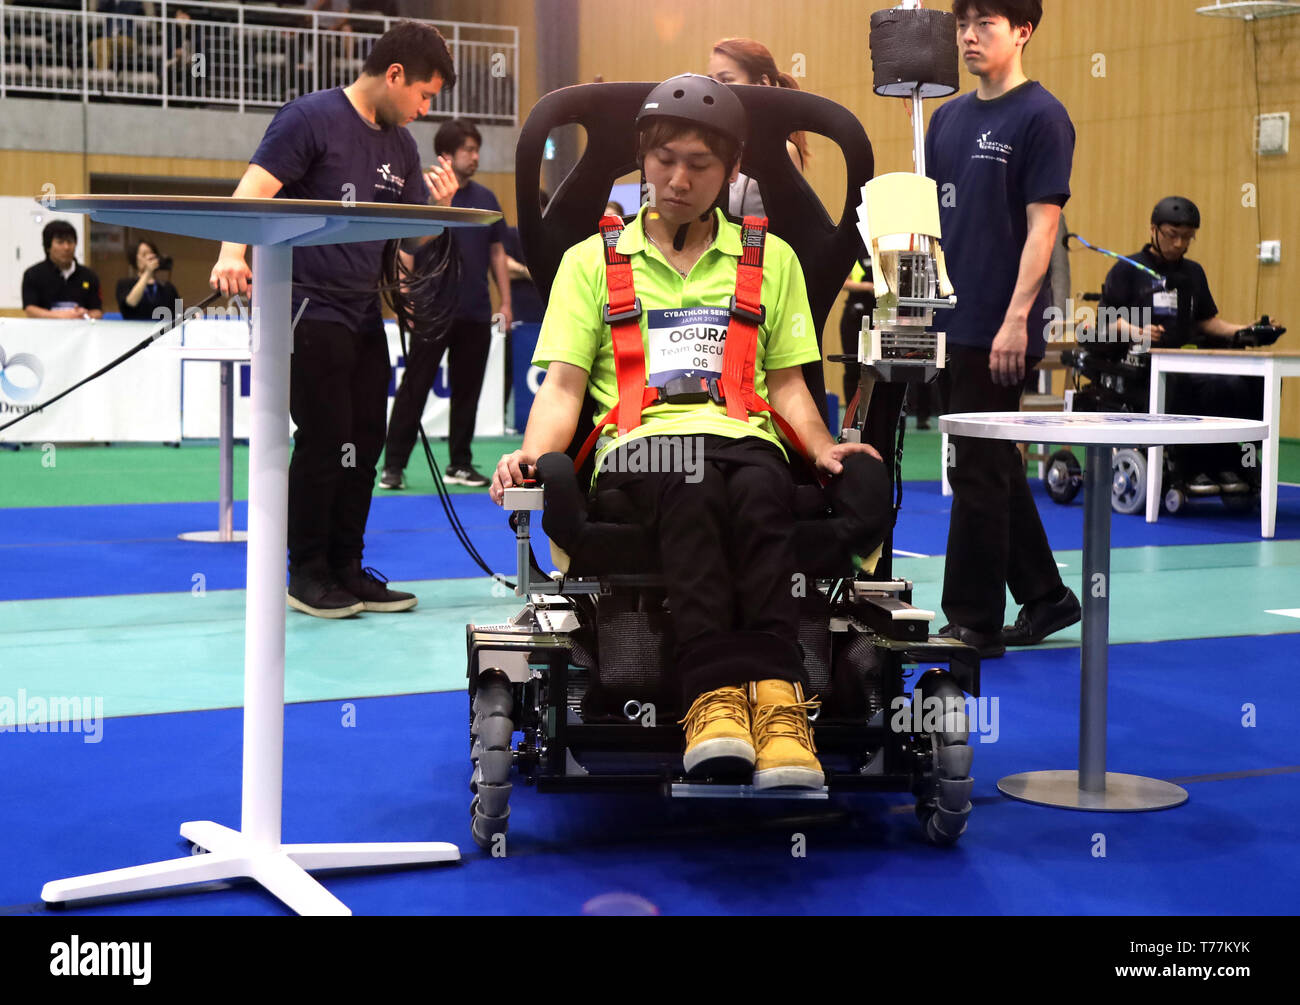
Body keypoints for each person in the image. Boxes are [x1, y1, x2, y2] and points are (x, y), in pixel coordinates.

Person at [489, 74, 889, 790]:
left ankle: (777, 705)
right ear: (642, 157)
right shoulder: (591, 263)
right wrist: (529, 452)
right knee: (696, 485)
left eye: (700, 165)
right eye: (665, 158)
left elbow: (791, 385)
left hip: (748, 441)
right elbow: (565, 386)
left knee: (762, 492)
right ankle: (713, 701)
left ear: (733, 171)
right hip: (639, 449)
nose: (678, 179)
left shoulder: (772, 263)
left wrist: (825, 448)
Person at [209, 20, 459, 619]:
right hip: (302, 304)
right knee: (328, 439)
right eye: (423, 95)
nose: (425, 110)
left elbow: (410, 234)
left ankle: (348, 566)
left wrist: (439, 209)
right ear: (394, 74)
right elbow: (251, 191)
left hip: (360, 311)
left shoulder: (400, 144)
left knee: (366, 440)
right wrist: (229, 254)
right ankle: (309, 573)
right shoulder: (309, 118)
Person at [926, 0, 1080, 658]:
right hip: (948, 321)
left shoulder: (1042, 117)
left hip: (1001, 323)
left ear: (1022, 31)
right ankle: (1047, 597)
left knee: (974, 470)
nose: (968, 35)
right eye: (963, 23)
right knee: (991, 465)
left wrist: (1018, 319)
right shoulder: (945, 120)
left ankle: (973, 621)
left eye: (985, 24)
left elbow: (1043, 229)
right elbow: (935, 222)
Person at [1099, 196, 1275, 495]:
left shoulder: (1193, 273)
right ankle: (1193, 466)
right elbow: (1105, 324)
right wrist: (1136, 330)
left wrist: (1248, 330)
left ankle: (1230, 461)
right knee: (1200, 388)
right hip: (1143, 366)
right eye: (1173, 235)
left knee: (1240, 385)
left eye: (1188, 238)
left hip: (1188, 361)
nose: (1180, 244)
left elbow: (1207, 322)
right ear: (1153, 230)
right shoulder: (1128, 270)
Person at [381, 118, 509, 490]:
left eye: (476, 149)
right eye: (468, 150)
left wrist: (506, 299)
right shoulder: (419, 191)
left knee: (468, 390)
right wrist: (403, 296)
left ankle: (460, 463)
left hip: (475, 310)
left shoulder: (486, 199)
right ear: (447, 156)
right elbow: (404, 247)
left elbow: (498, 252)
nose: (475, 156)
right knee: (415, 386)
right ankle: (393, 465)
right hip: (430, 309)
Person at [706, 37, 809, 218]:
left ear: (762, 84)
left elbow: (790, 229)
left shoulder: (784, 151)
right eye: (711, 80)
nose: (715, 89)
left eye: (726, 80)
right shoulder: (710, 145)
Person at [22, 221, 103, 319]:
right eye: (60, 242)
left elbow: (97, 311)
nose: (66, 247)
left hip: (80, 330)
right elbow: (30, 310)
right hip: (44, 331)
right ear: (48, 247)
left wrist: (84, 315)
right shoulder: (33, 274)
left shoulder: (89, 276)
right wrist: (61, 315)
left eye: (70, 242)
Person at [116, 239, 181, 321]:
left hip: (162, 331)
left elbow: (179, 312)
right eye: (144, 254)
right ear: (135, 259)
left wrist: (190, 314)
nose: (150, 257)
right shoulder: (124, 283)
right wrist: (147, 272)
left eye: (152, 253)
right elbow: (131, 302)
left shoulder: (168, 287)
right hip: (134, 331)